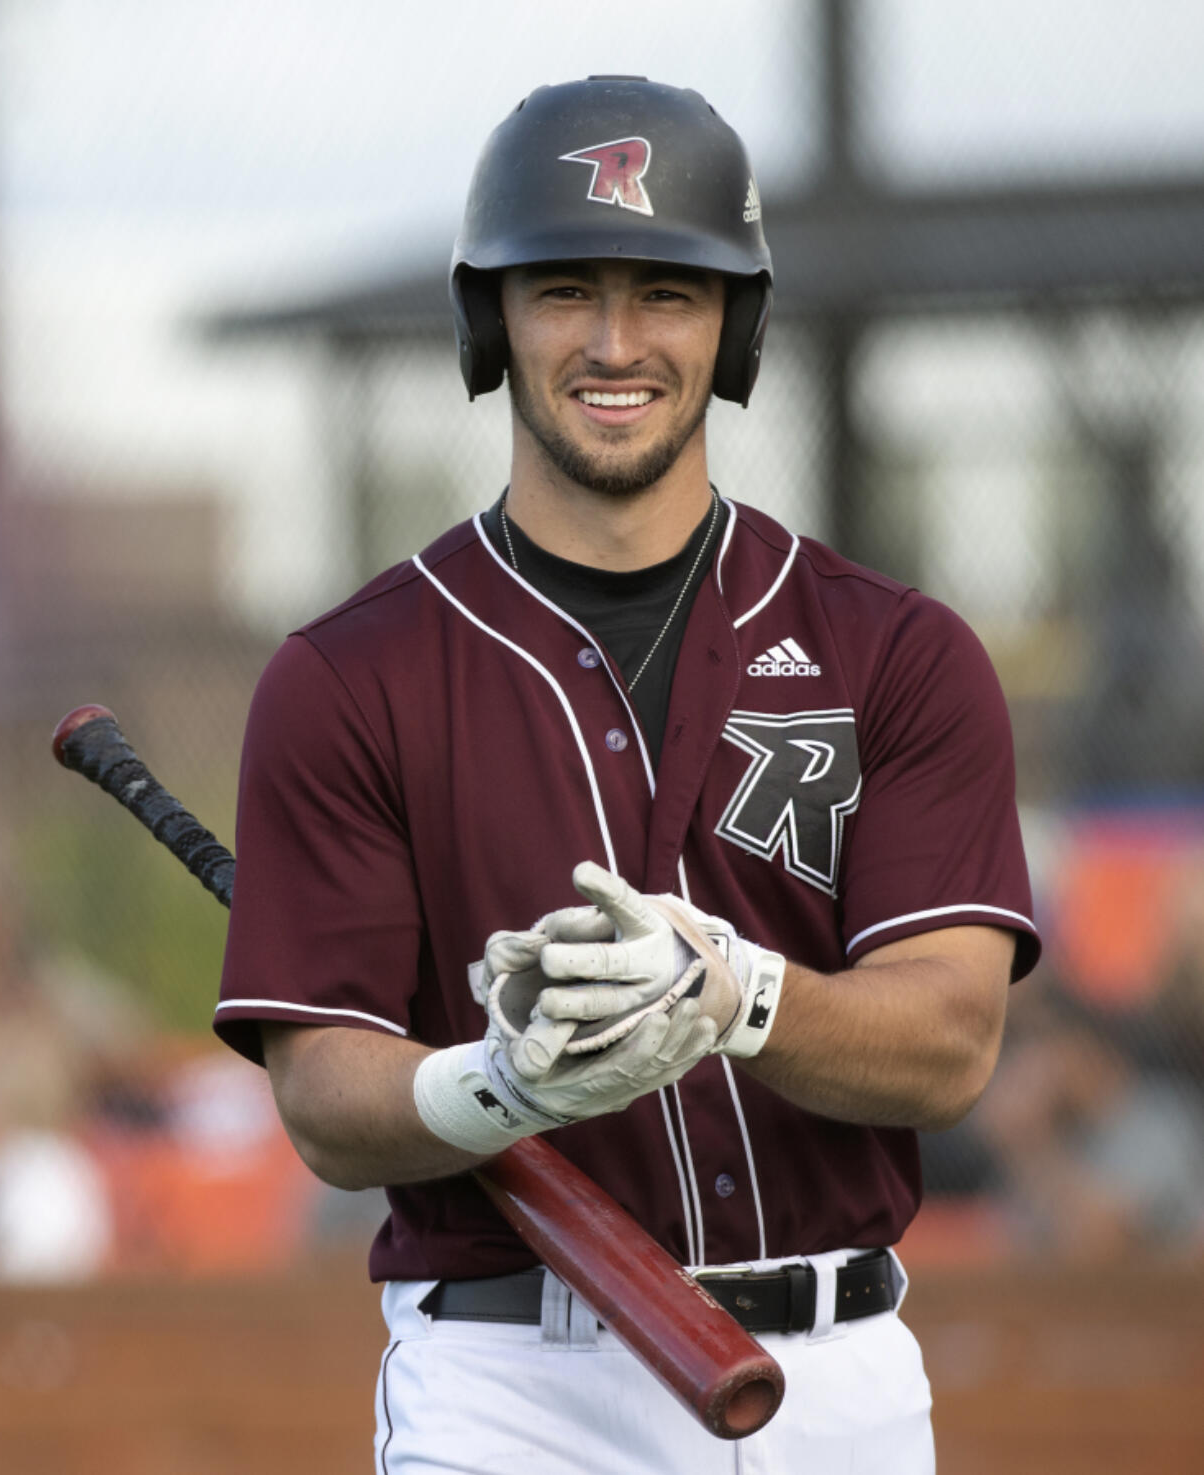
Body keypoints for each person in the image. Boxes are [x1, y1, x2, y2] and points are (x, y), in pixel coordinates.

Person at [215, 76, 1040, 1474]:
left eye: (664, 290)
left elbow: (949, 1043)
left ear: (732, 323)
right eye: (563, 290)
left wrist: (735, 995)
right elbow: (326, 1102)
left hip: (833, 1377)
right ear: (493, 320)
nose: (613, 340)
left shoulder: (896, 651)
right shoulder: (348, 676)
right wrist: (502, 1082)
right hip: (510, 1384)